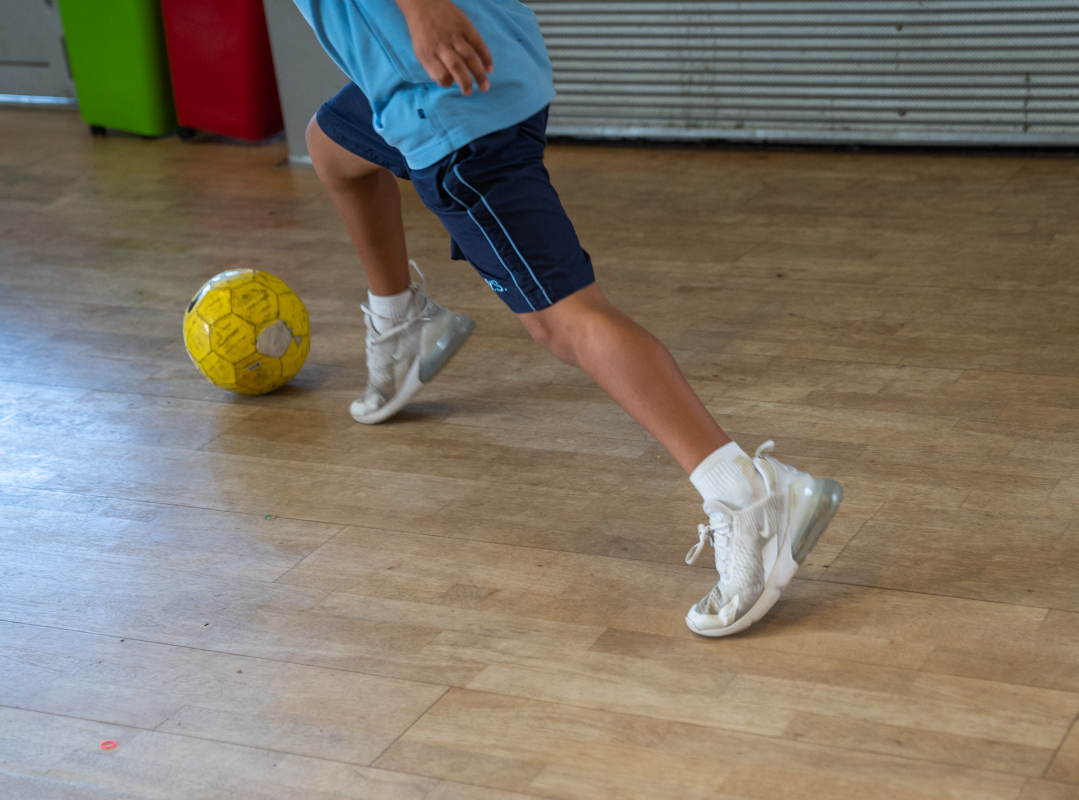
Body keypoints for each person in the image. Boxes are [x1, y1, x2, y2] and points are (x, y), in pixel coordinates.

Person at [292, 0, 843, 637]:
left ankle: (750, 496)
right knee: (330, 144)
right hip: (485, 52)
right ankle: (402, 324)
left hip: (446, 100)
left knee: (566, 321)